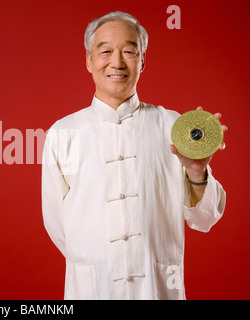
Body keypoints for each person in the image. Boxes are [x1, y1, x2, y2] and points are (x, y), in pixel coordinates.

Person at [41, 11, 227, 300]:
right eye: (105, 51)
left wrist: (196, 172)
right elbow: (56, 223)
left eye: (129, 51)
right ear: (89, 60)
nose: (117, 62)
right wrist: (96, 259)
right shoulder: (62, 133)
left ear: (142, 61)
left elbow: (205, 220)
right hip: (92, 288)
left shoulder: (172, 127)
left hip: (156, 289)